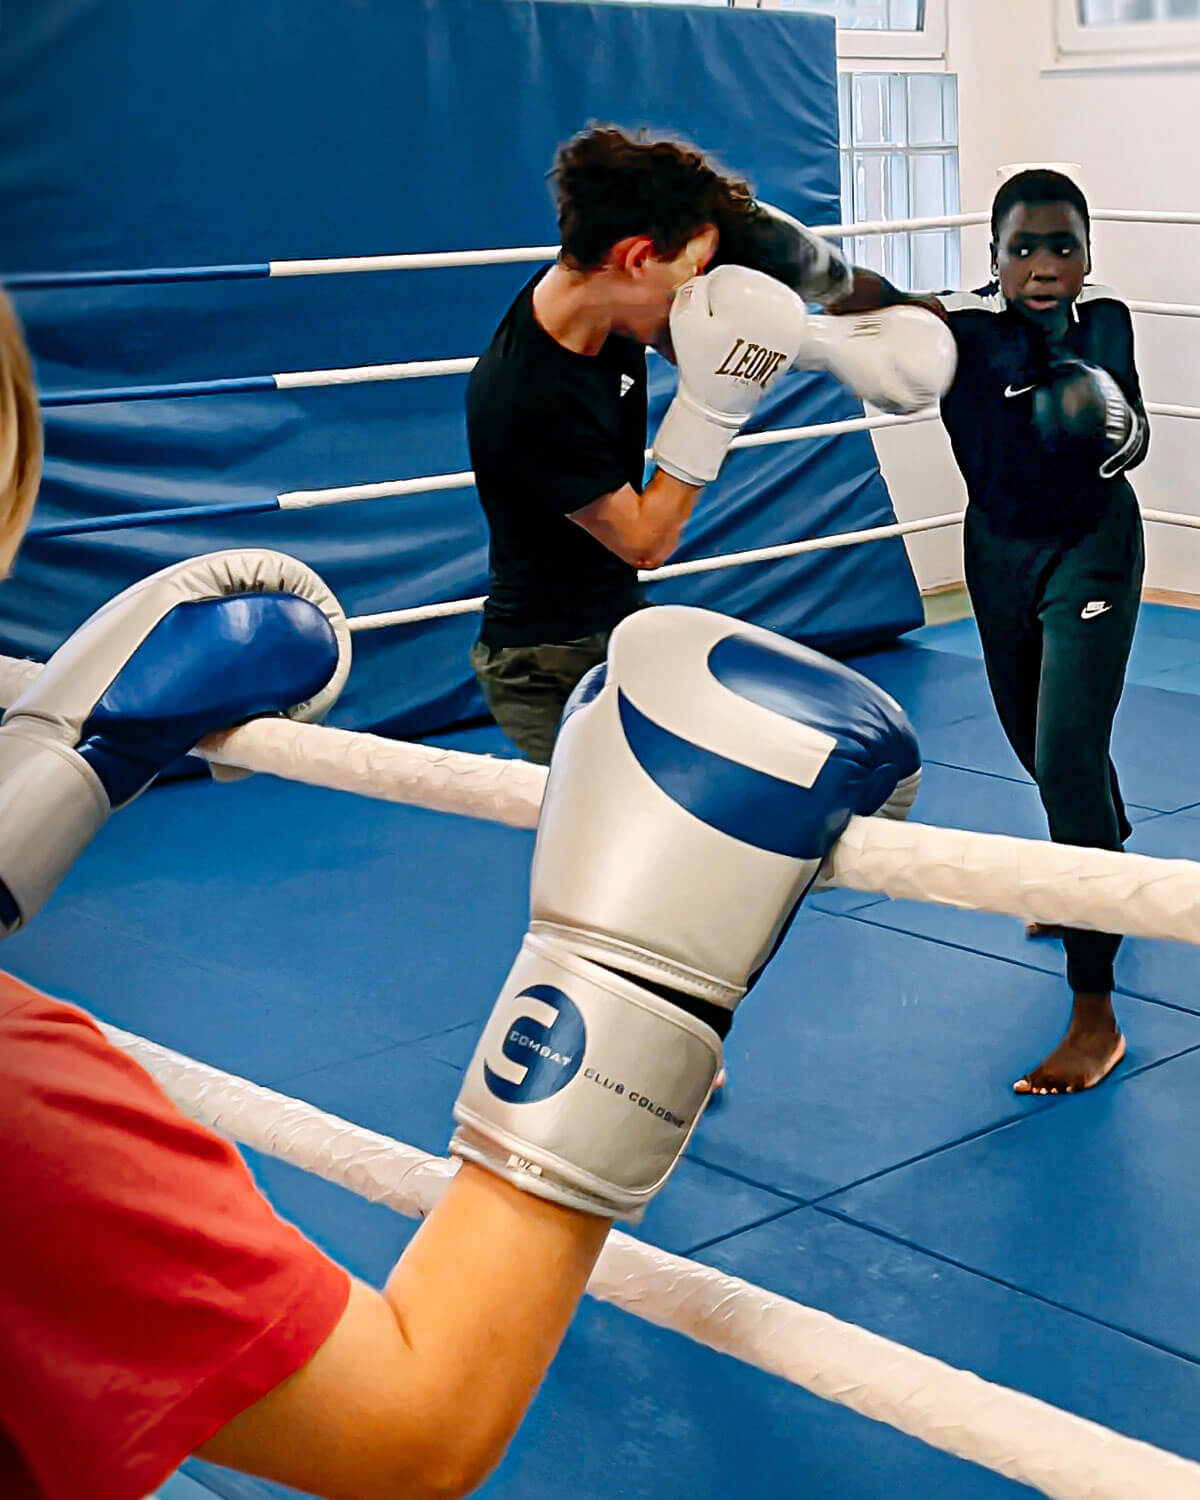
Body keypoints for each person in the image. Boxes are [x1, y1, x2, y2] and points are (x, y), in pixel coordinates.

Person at [0, 287, 923, 1498]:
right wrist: (628, 970)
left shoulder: (589, 357)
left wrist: (51, 771)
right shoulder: (25, 1110)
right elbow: (412, 1424)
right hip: (559, 661)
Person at [828, 167, 1149, 1096]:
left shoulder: (1110, 322)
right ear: (995, 258)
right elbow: (875, 299)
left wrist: (1106, 411)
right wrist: (775, 259)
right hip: (998, 556)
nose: (1045, 264)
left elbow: (1135, 431)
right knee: (1040, 753)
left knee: (1069, 752)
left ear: (1087, 256)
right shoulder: (957, 333)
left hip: (1092, 548)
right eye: (1024, 247)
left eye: (1063, 246)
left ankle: (1095, 1011)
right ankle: (1101, 858)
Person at [465, 124, 853, 766]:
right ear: (639, 257)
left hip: (618, 625)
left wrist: (850, 334)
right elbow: (647, 540)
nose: (699, 289)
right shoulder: (529, 395)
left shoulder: (605, 294)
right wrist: (712, 408)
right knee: (606, 846)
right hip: (542, 663)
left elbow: (730, 287)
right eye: (692, 272)